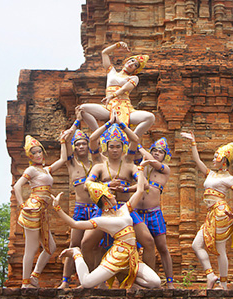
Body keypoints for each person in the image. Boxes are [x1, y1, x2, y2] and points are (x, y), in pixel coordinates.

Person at [52, 165, 161, 289]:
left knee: (155, 282)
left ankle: (127, 277)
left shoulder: (124, 209)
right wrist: (57, 208)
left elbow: (140, 190)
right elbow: (74, 224)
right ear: (105, 200)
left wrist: (140, 169)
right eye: (110, 194)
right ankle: (76, 254)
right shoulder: (102, 220)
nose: (114, 195)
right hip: (115, 258)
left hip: (131, 257)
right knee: (87, 283)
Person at [81, 112, 156, 271]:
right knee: (86, 244)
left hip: (125, 210)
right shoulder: (99, 166)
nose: (115, 150)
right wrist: (106, 186)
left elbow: (146, 185)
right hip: (104, 210)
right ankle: (89, 281)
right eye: (111, 146)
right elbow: (86, 185)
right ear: (106, 148)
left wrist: (126, 188)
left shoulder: (129, 165)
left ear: (123, 148)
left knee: (149, 242)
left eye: (118, 146)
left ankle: (148, 285)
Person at [180, 132, 233, 290]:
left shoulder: (230, 178)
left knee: (220, 249)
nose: (213, 159)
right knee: (196, 245)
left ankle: (223, 284)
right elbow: (197, 160)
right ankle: (211, 275)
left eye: (216, 156)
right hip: (211, 214)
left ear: (224, 160)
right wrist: (193, 142)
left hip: (221, 212)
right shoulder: (210, 174)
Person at [57, 109, 103, 289]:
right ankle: (65, 281)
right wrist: (76, 122)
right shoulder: (71, 164)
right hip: (80, 208)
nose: (81, 147)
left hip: (96, 208)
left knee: (96, 245)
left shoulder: (97, 163)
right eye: (78, 145)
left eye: (83, 144)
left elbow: (97, 141)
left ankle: (96, 280)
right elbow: (66, 141)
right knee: (74, 244)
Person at [13, 134, 66, 288]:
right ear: (30, 156)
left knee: (51, 247)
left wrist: (62, 140)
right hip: (32, 208)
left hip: (42, 211)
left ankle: (34, 276)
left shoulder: (46, 170)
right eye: (33, 153)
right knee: (32, 247)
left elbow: (62, 159)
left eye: (39, 152)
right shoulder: (31, 170)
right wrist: (22, 205)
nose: (37, 155)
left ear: (43, 152)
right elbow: (17, 186)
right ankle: (25, 283)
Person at [78, 41, 155, 138]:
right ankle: (100, 135)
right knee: (82, 109)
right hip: (109, 106)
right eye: (132, 61)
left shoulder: (134, 78)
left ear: (135, 70)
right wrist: (117, 45)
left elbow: (124, 89)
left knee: (150, 117)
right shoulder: (112, 72)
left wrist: (112, 95)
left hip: (125, 107)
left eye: (135, 65)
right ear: (127, 61)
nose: (132, 64)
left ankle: (132, 138)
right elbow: (104, 53)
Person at [136, 138, 175, 288]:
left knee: (162, 247)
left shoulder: (164, 169)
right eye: (155, 151)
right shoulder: (141, 167)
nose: (157, 153)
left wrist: (139, 145)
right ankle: (142, 281)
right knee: (136, 247)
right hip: (138, 213)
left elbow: (153, 162)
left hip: (154, 213)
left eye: (161, 152)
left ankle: (170, 282)